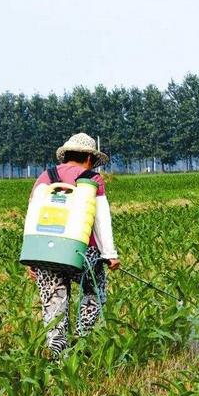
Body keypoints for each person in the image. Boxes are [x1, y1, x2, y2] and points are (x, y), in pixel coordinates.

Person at [28, 132, 120, 356]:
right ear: (89, 158)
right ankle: (82, 341)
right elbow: (101, 219)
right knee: (93, 292)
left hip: (45, 252)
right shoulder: (92, 179)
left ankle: (58, 354)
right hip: (81, 251)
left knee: (54, 304)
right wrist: (110, 254)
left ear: (66, 155)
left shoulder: (44, 178)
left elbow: (32, 216)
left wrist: (32, 260)